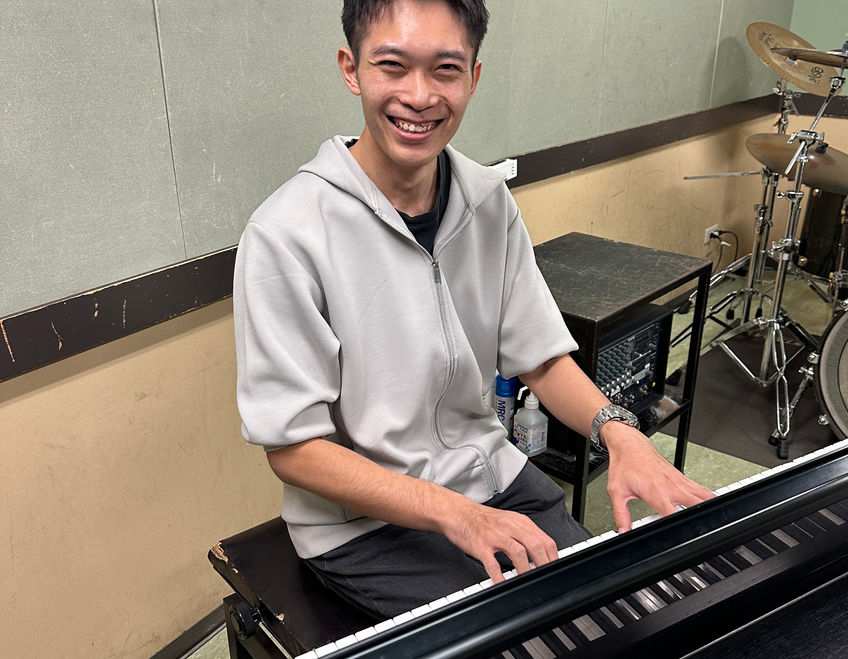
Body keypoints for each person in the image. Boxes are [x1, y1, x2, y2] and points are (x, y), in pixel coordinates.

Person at [233, 0, 712, 619]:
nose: (419, 96)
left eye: (445, 69)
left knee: (621, 606)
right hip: (362, 526)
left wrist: (620, 434)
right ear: (352, 69)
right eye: (392, 66)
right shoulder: (286, 233)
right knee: (529, 636)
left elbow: (540, 358)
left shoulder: (487, 200)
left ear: (473, 77)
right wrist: (454, 514)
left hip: (490, 475)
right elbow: (293, 447)